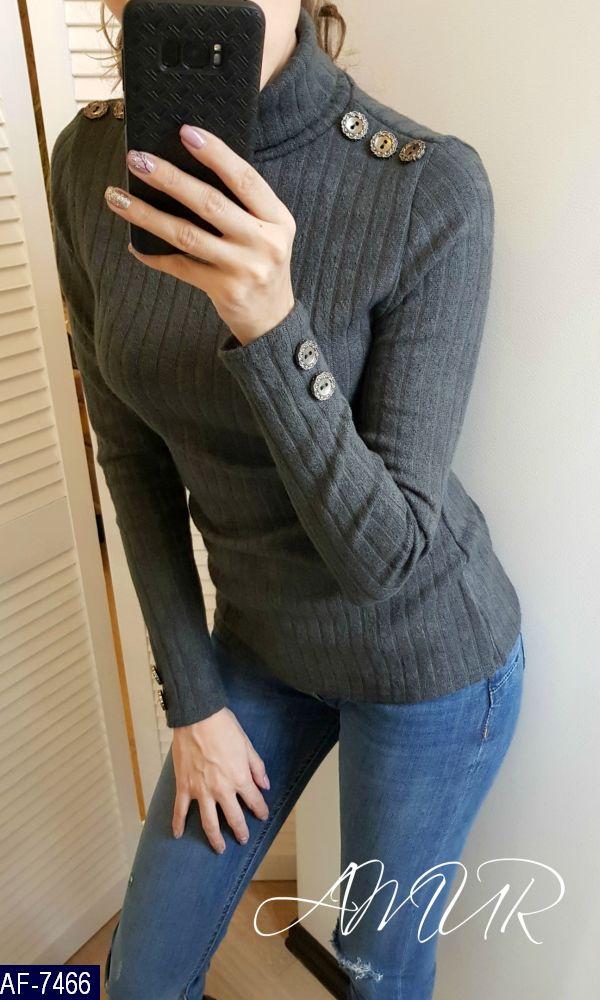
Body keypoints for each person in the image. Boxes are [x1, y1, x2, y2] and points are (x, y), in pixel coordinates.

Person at [49, 1, 526, 996]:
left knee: (376, 974)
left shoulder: (426, 184)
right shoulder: (90, 164)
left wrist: (270, 323)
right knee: (140, 979)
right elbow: (130, 457)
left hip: (423, 656)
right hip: (260, 648)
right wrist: (193, 701)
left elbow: (383, 560)